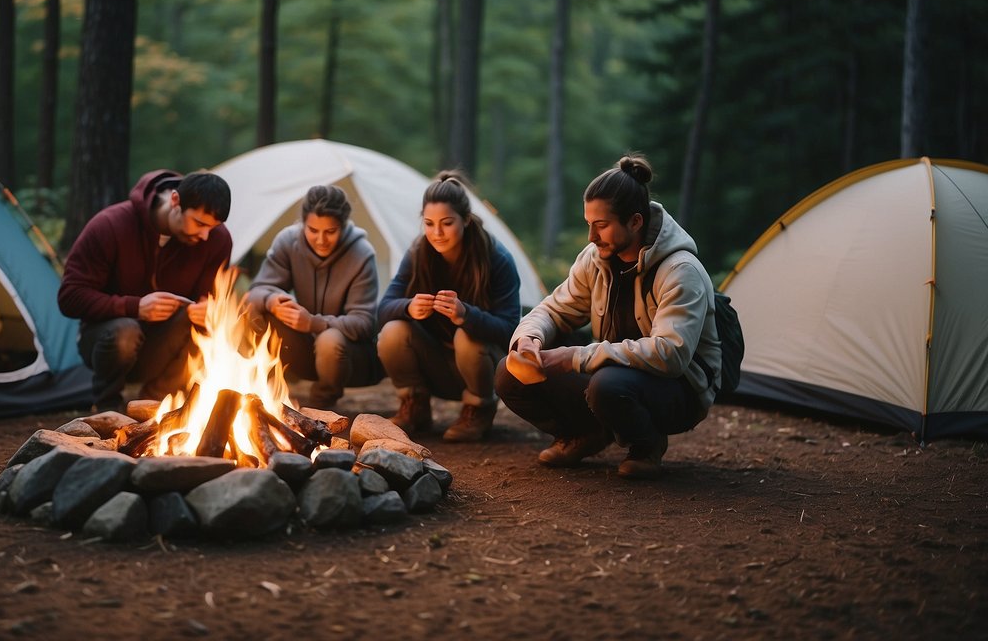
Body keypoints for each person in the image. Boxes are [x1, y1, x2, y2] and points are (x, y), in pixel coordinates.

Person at [496, 154, 720, 479]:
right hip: (614, 375)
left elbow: (671, 354)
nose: (591, 236)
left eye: (600, 225)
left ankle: (647, 443)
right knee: (508, 373)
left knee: (606, 386)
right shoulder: (595, 258)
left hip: (679, 389)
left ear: (635, 222)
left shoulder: (680, 271)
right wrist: (530, 337)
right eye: (589, 223)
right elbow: (554, 309)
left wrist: (575, 357)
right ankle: (585, 435)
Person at [58, 169, 232, 411]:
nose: (205, 235)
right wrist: (135, 307)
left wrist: (209, 310)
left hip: (164, 343)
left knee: (205, 327)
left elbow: (211, 297)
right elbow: (69, 298)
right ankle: (108, 408)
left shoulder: (217, 240)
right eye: (200, 223)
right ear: (175, 201)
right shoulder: (111, 225)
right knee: (125, 331)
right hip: (106, 340)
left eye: (212, 227)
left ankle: (154, 407)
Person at [376, 171, 521, 442]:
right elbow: (383, 310)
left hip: (482, 366)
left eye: (446, 223)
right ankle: (414, 406)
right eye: (429, 223)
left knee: (466, 334)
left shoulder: (495, 257)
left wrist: (467, 315)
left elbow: (511, 330)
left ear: (465, 219)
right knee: (393, 330)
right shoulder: (419, 252)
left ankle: (479, 409)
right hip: (435, 363)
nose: (437, 233)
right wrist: (409, 307)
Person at [245, 185, 383, 409]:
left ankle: (323, 404)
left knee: (329, 340)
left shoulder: (361, 254)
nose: (321, 240)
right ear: (302, 223)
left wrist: (313, 322)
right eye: (312, 230)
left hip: (352, 358)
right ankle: (265, 393)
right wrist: (273, 301)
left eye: (330, 231)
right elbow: (257, 291)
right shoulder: (288, 241)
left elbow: (365, 323)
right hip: (306, 348)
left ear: (343, 225)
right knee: (252, 312)